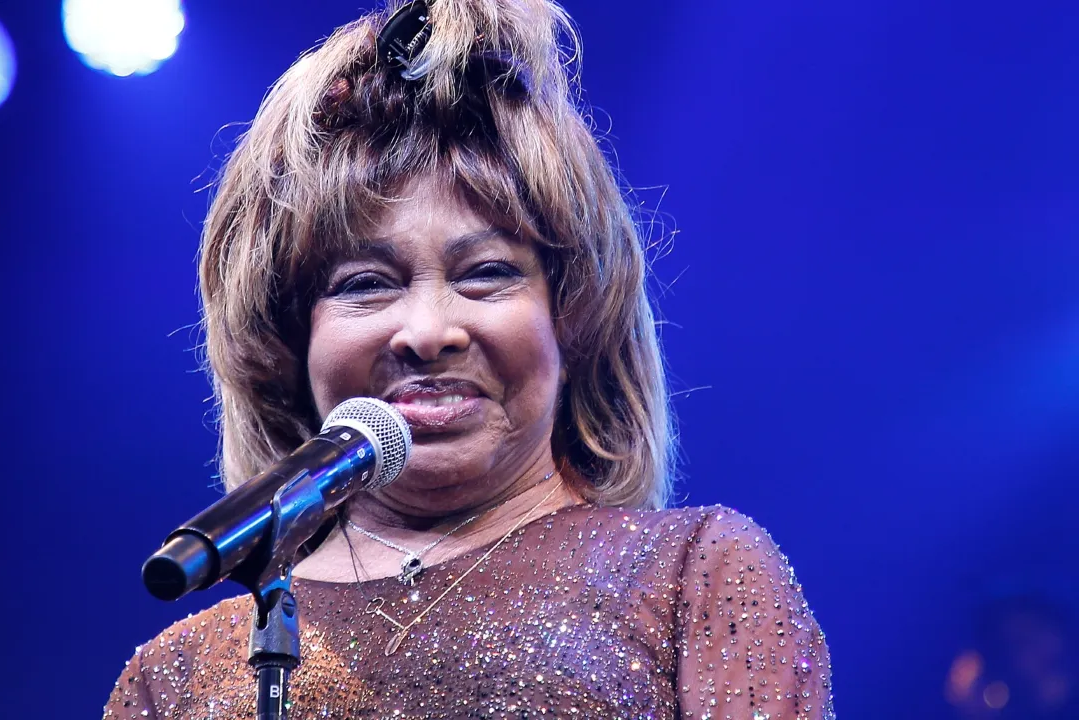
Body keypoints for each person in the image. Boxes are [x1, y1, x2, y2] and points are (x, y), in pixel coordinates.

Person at [104, 0, 834, 717]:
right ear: (288, 343)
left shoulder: (695, 576)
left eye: (485, 273)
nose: (427, 332)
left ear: (574, 317)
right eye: (365, 284)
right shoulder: (176, 679)